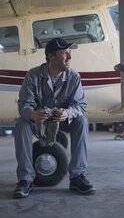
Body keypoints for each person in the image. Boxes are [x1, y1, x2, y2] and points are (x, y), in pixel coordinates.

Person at [13, 38, 96, 198]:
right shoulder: (32, 76)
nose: (70, 57)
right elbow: (23, 105)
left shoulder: (74, 77)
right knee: (22, 124)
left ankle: (77, 177)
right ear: (51, 56)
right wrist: (31, 114)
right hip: (38, 122)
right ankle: (25, 179)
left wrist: (68, 113)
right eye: (65, 53)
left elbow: (81, 106)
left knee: (81, 121)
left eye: (70, 53)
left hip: (62, 122)